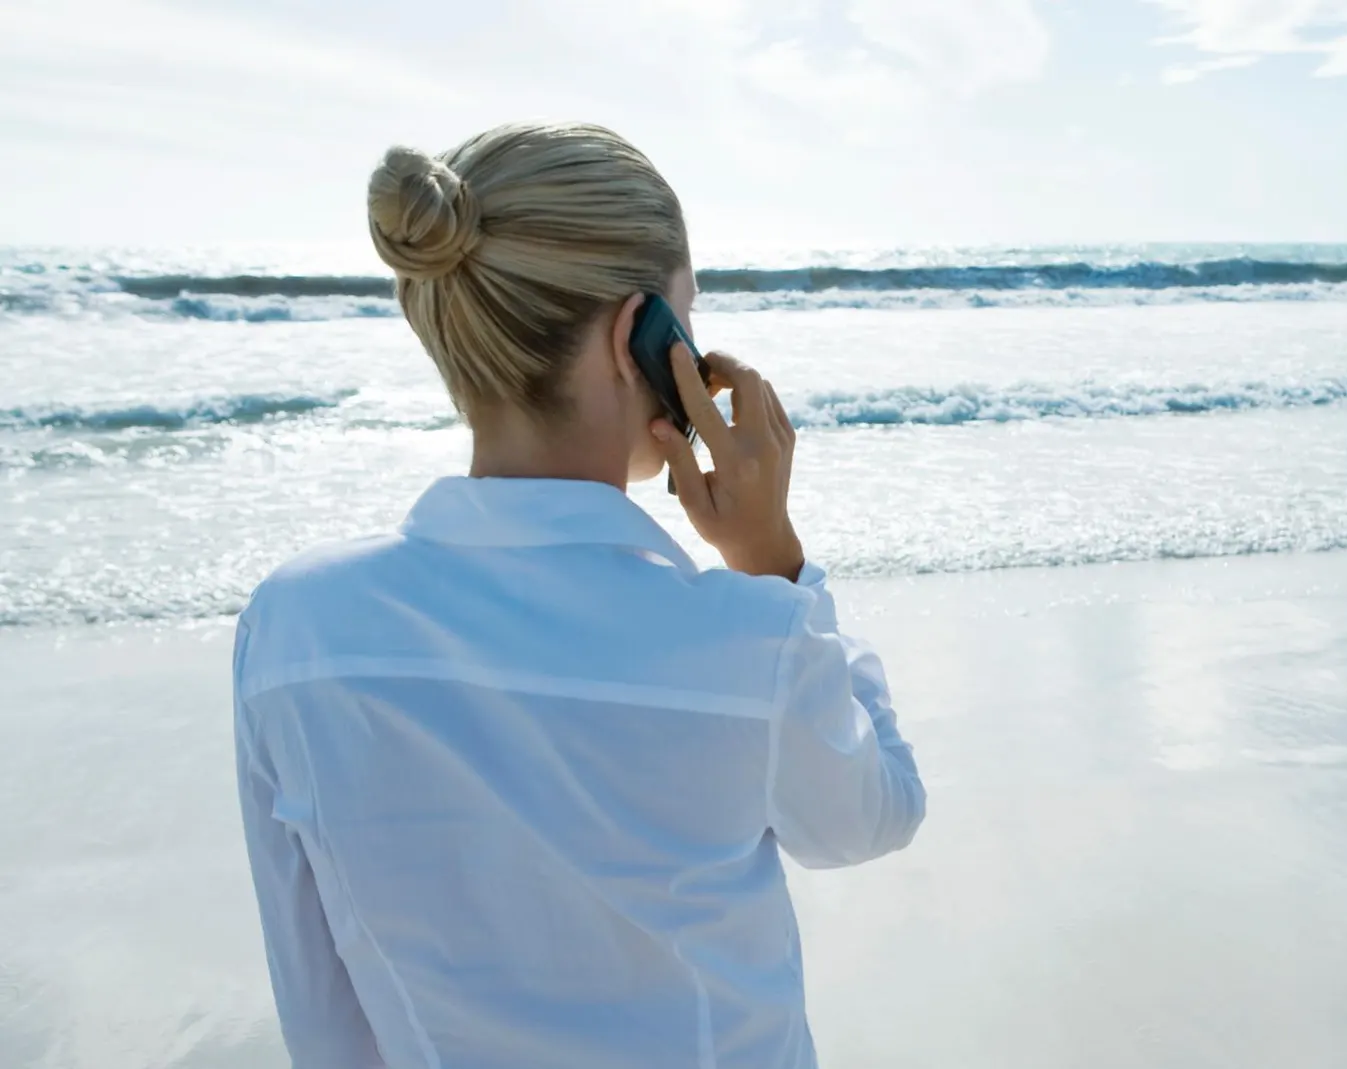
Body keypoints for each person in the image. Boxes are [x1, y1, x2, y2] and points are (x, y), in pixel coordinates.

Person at [232, 121, 926, 1068]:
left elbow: (320, 1010)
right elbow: (876, 813)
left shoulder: (296, 626)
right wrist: (774, 563)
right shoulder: (741, 639)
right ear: (630, 335)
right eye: (684, 316)